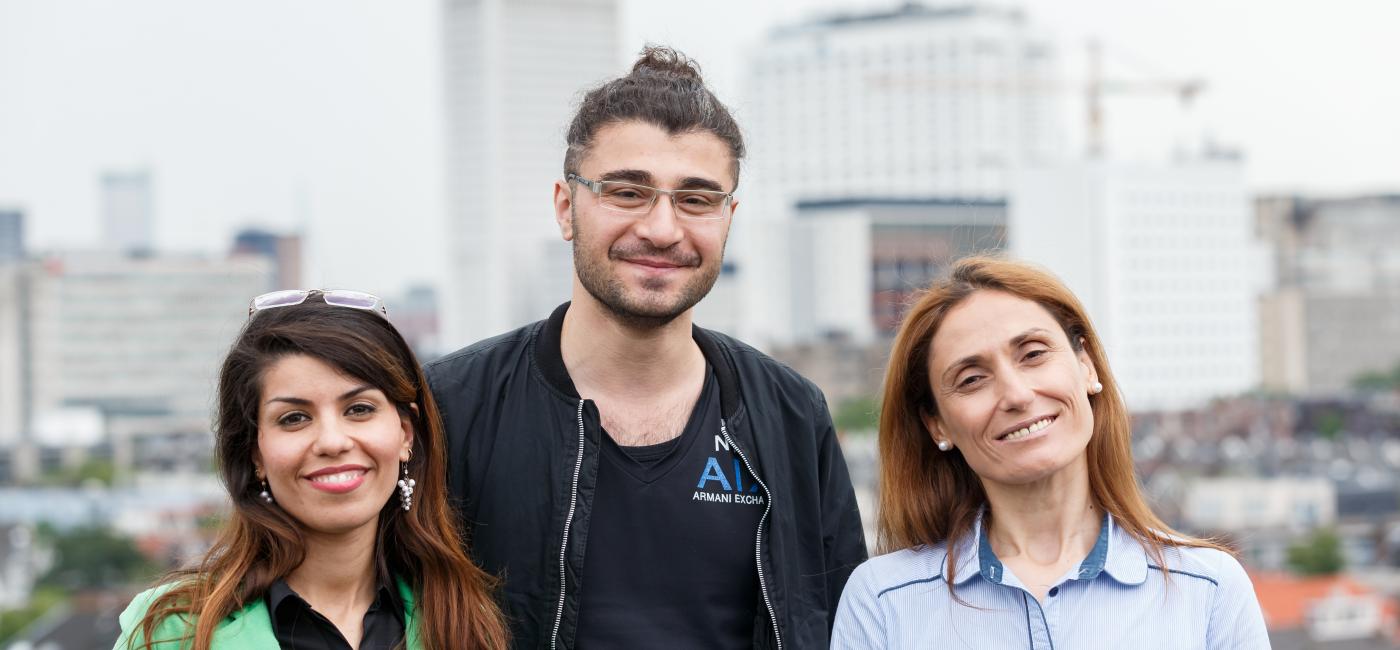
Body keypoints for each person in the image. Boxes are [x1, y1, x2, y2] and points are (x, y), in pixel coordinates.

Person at [424, 46, 867, 649]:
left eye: (696, 198)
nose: (662, 228)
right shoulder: (452, 408)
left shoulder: (791, 415)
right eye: (628, 192)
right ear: (565, 207)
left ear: (728, 217)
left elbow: (845, 625)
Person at [831, 257, 1269, 649]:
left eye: (1034, 354)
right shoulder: (883, 604)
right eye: (971, 379)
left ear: (1086, 367)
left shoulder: (1209, 590)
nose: (1017, 394)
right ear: (937, 424)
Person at [114, 290, 508, 650]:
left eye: (359, 410)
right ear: (255, 453)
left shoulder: (464, 623)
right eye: (295, 418)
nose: (332, 441)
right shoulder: (171, 632)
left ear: (405, 432)